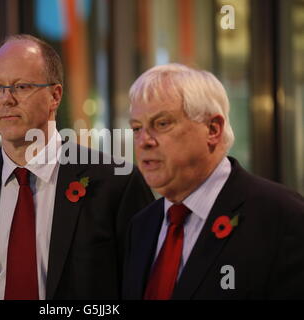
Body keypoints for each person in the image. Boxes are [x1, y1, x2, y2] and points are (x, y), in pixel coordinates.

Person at [0, 34, 154, 300]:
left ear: (55, 96)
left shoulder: (116, 181)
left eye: (21, 87)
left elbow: (141, 285)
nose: (6, 99)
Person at [123, 63, 304, 300]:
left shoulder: (282, 216)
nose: (144, 141)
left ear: (213, 129)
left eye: (162, 124)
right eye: (137, 128)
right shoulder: (141, 225)